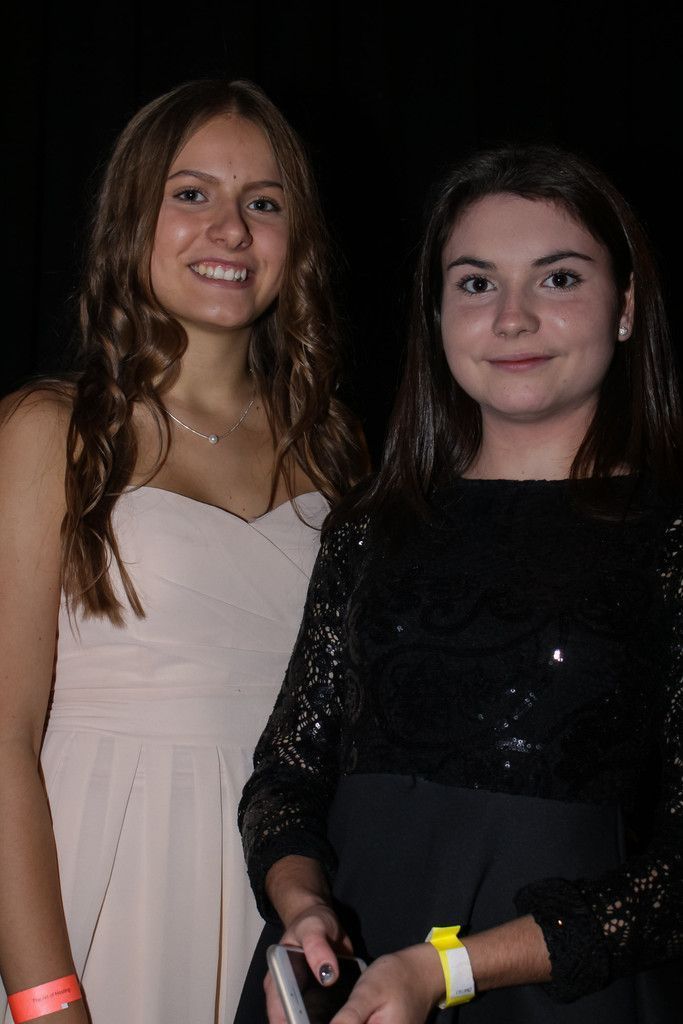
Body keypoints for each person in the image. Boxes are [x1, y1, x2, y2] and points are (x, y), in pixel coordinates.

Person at [237, 144, 683, 1023]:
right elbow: (284, 779)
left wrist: (448, 970)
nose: (512, 319)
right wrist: (302, 905)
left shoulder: (667, 539)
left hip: (555, 997)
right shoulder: (368, 528)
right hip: (349, 986)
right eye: (476, 284)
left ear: (626, 307)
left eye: (558, 279)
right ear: (437, 313)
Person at [0, 79, 366, 1024]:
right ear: (132, 217)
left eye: (264, 202)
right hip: (98, 887)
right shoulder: (49, 429)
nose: (231, 229)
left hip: (284, 896)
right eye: (192, 193)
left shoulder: (339, 450)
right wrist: (45, 1000)